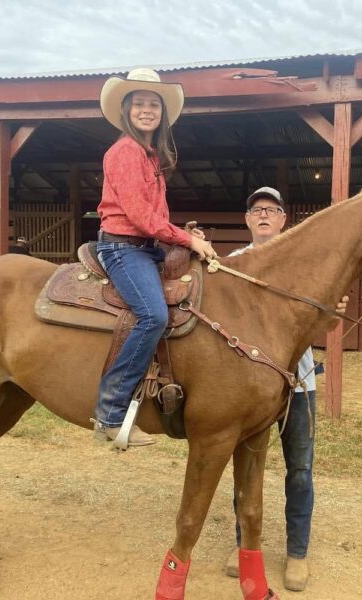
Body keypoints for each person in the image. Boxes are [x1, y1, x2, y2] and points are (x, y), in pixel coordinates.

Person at [225, 186, 348, 592]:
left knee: (299, 471)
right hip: (247, 386)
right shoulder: (230, 265)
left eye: (272, 210)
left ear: (283, 220)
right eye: (256, 209)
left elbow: (323, 326)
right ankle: (244, 545)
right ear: (247, 220)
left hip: (298, 384)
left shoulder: (305, 266)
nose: (263, 215)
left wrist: (331, 316)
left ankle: (297, 552)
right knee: (244, 467)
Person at [93, 68, 217, 449]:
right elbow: (140, 217)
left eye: (153, 105)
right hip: (122, 247)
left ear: (161, 113)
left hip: (144, 247)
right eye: (140, 104)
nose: (147, 110)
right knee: (154, 314)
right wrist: (188, 240)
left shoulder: (150, 157)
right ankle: (111, 413)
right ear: (127, 110)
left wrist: (182, 236)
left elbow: (156, 219)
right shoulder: (125, 151)